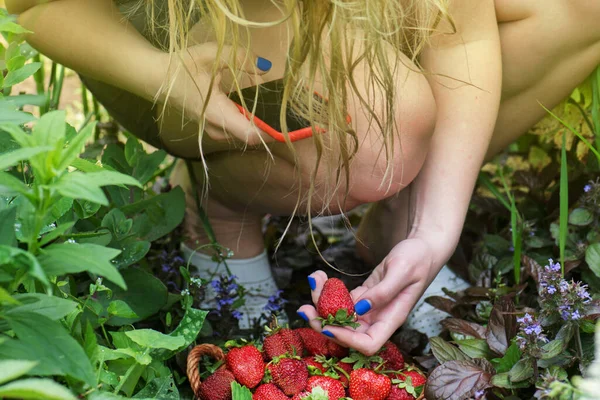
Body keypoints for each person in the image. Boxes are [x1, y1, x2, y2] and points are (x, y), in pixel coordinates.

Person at [9, 0, 600, 354]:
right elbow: (34, 6)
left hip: (322, 19)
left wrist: (432, 226)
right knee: (381, 135)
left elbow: (461, 28)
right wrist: (163, 73)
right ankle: (218, 205)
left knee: (573, 11)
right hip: (175, 42)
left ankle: (398, 217)